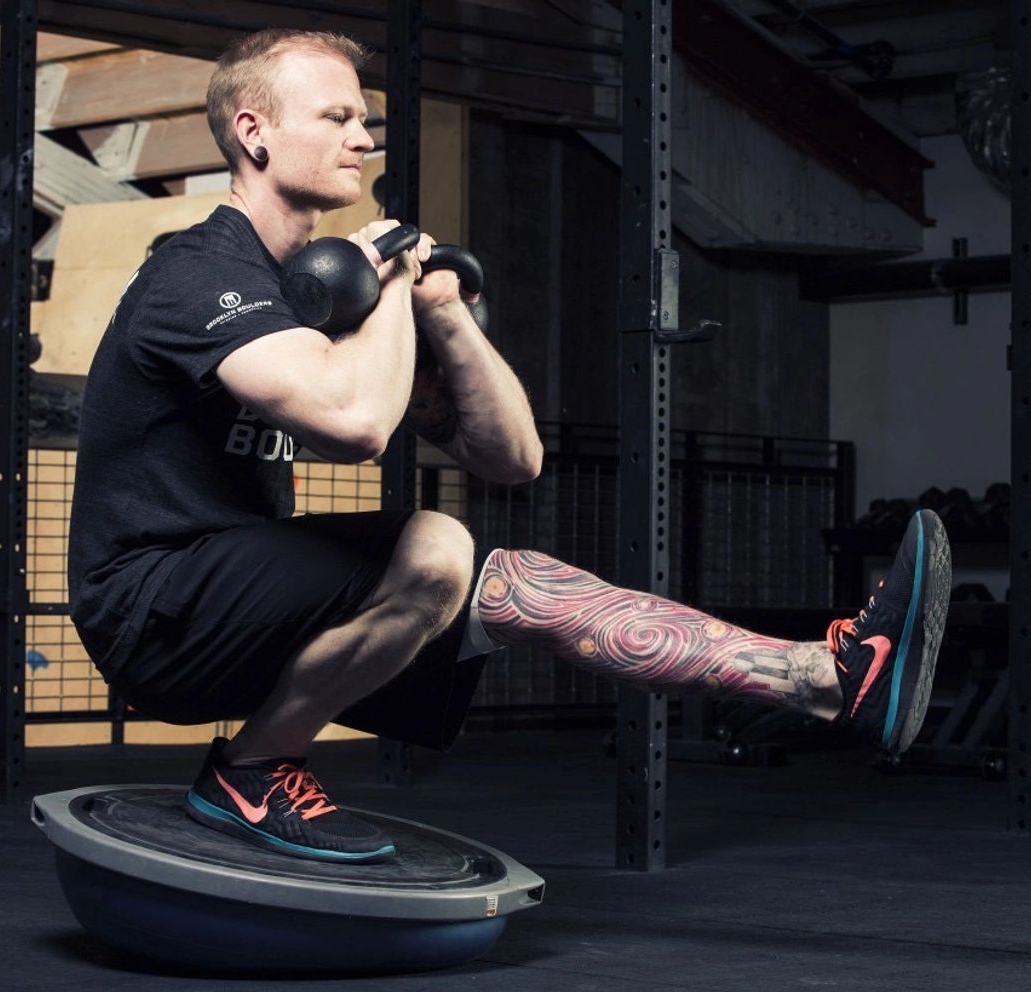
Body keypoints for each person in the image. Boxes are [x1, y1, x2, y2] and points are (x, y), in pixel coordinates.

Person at [68, 28, 952, 865]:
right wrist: (389, 286)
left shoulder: (315, 295)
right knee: (439, 546)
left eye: (366, 119)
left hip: (235, 594)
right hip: (151, 605)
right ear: (252, 133)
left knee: (518, 581)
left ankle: (826, 679)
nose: (364, 139)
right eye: (337, 117)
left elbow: (512, 458)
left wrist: (443, 314)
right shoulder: (200, 272)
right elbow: (356, 423)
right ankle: (251, 774)